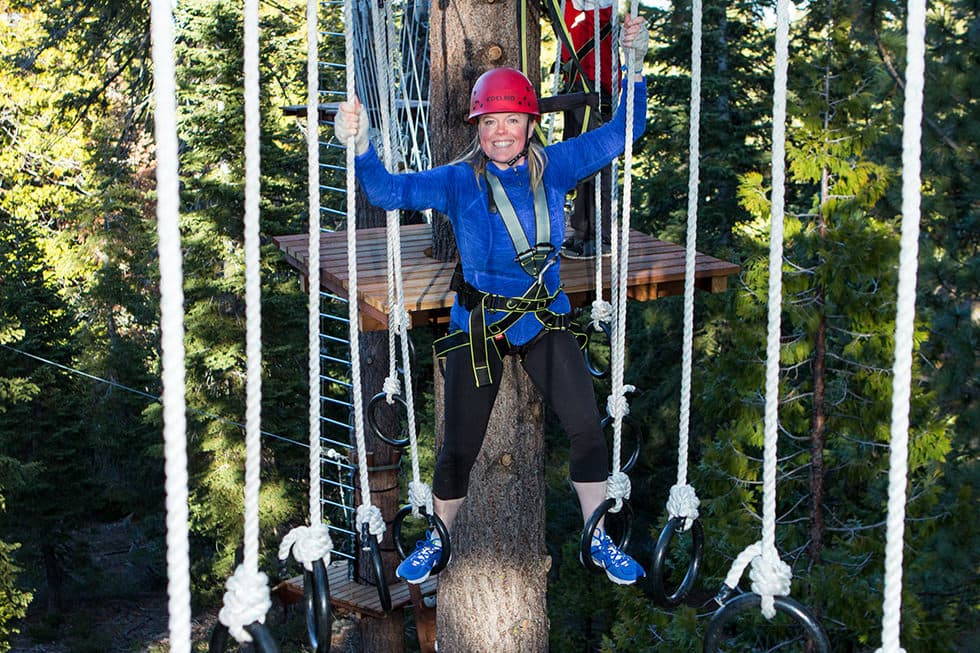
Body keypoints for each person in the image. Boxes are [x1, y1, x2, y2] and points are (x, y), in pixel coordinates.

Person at [333, 15, 650, 586]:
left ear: (529, 123)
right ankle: (439, 537)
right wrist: (361, 145)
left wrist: (633, 65)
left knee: (586, 428)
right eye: (491, 123)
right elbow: (386, 190)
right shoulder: (460, 179)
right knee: (457, 446)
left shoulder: (557, 167)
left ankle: (598, 536)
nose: (501, 132)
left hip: (543, 318)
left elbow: (625, 130)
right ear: (477, 128)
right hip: (477, 322)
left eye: (512, 120)